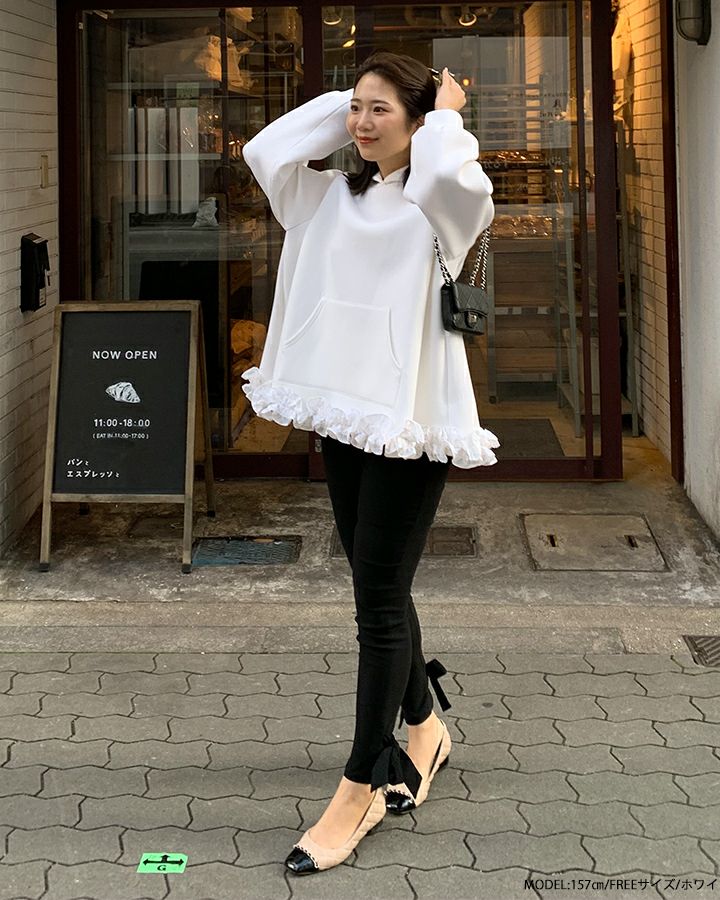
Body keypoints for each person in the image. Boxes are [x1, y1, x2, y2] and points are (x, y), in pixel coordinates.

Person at [241, 49, 498, 875]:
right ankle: (426, 728)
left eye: (380, 110)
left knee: (377, 603)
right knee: (373, 579)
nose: (359, 122)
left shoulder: (442, 204)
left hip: (410, 422)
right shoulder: (326, 197)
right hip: (343, 414)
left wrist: (445, 116)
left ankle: (361, 785)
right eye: (354, 107)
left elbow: (450, 177)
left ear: (420, 123)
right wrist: (352, 99)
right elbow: (264, 150)